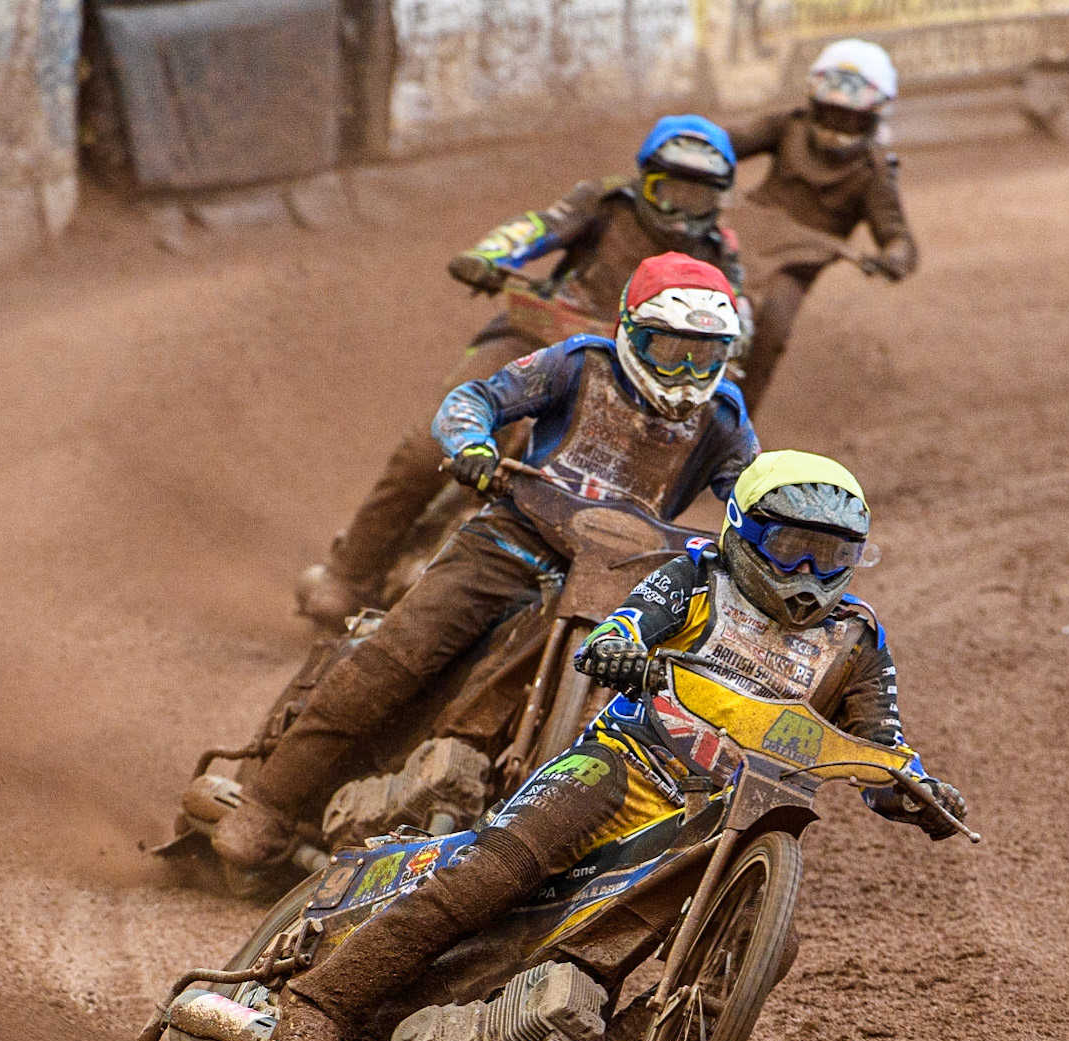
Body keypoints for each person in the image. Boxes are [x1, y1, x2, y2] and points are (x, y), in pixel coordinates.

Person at [266, 449, 969, 1041]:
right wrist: (616, 647)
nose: (808, 573)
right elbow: (626, 625)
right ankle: (319, 1003)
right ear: (744, 532)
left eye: (831, 555)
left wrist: (914, 791)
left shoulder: (854, 638)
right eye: (790, 548)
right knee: (494, 872)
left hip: (721, 819)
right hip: (620, 766)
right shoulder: (696, 574)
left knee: (764, 938)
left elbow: (882, 745)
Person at [195, 252, 759, 876]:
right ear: (630, 331)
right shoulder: (577, 363)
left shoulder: (726, 415)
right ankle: (270, 805)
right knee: (398, 655)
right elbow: (474, 398)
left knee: (670, 697)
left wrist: (769, 539)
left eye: (703, 355)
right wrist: (472, 444)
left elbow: (750, 493)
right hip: (511, 541)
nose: (685, 370)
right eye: (671, 348)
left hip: (622, 581)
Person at [295, 115, 750, 626]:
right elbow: (536, 227)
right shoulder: (604, 202)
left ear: (721, 199)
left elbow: (739, 311)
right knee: (426, 449)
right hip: (537, 337)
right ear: (644, 180)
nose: (681, 211)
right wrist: (489, 254)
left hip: (629, 373)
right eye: (670, 190)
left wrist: (732, 351)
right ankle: (347, 572)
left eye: (699, 197)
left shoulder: (719, 250)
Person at [723, 40, 917, 412]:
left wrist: (894, 257)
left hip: (792, 269)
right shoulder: (788, 126)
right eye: (830, 112)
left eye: (850, 117)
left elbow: (898, 236)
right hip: (737, 238)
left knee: (771, 326)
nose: (837, 125)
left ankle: (733, 428)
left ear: (874, 115)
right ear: (815, 104)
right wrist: (691, 147)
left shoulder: (872, 172)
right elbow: (728, 142)